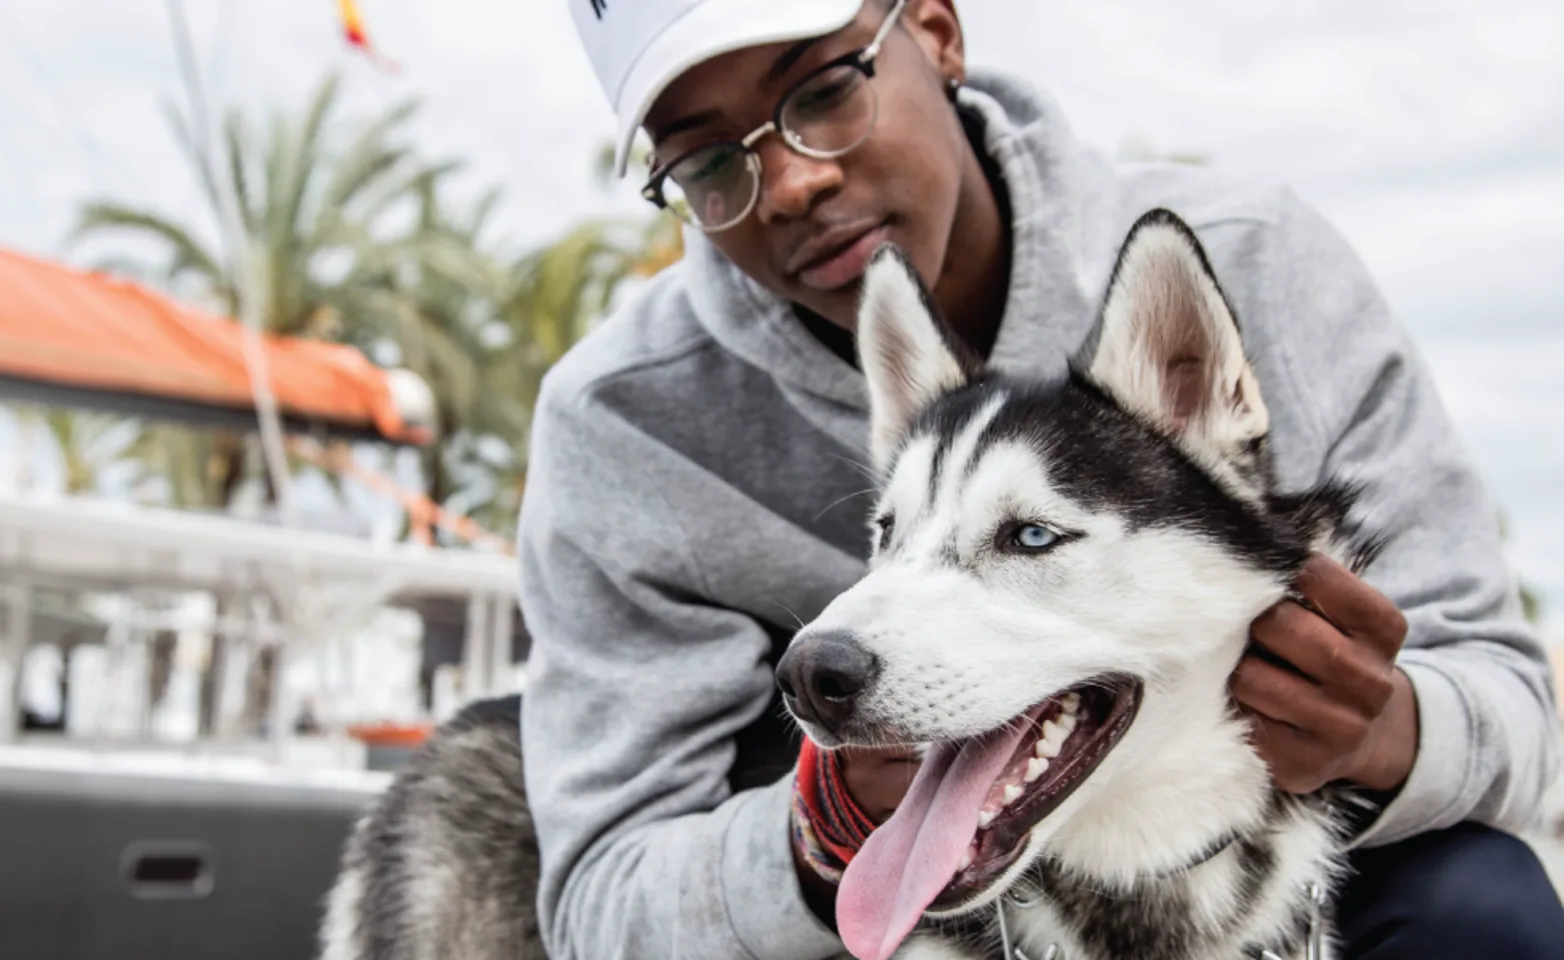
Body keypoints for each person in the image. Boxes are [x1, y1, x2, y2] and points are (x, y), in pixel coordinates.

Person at [519, 1, 1564, 957]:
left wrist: (1391, 728)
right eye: (706, 164)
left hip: (1278, 850)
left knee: (1479, 908)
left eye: (826, 92)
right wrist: (826, 825)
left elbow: (1514, 705)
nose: (791, 183)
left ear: (933, 31)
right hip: (866, 905)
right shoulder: (619, 422)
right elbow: (601, 902)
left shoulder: (1263, 262)